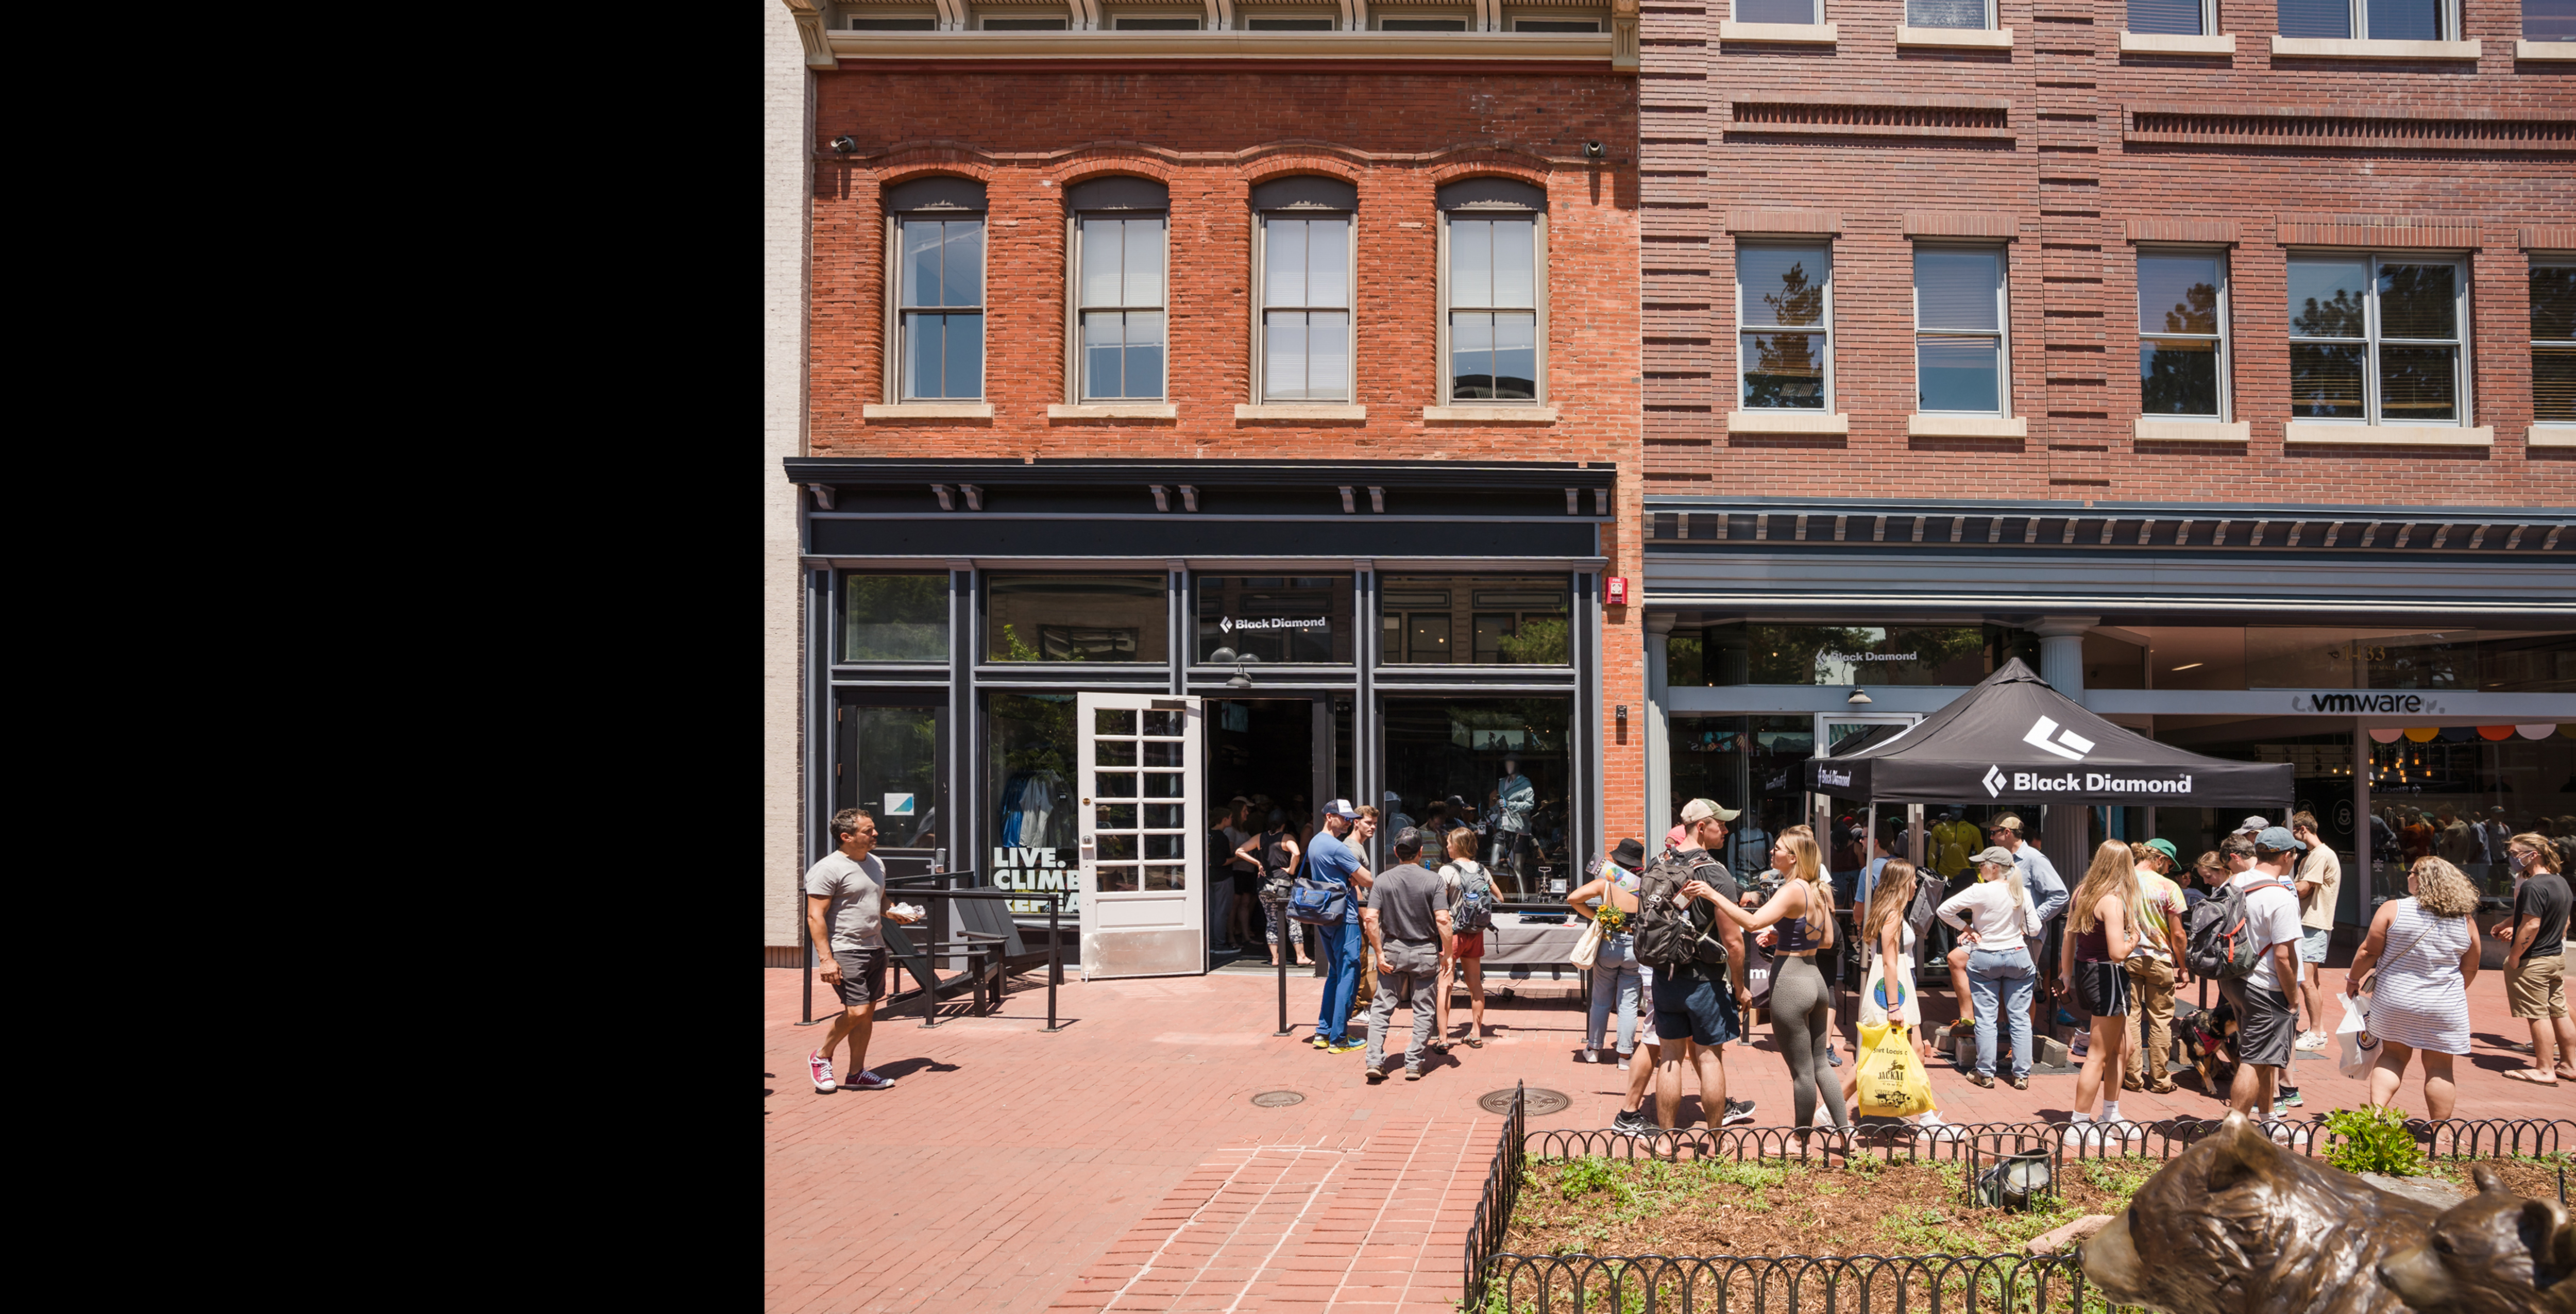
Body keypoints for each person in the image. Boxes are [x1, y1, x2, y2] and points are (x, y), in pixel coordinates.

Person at [1706, 832, 1851, 1134]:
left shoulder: (1792, 889)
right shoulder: (1819, 890)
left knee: (1802, 1073)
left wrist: (1713, 895)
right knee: (1821, 1064)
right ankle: (1845, 1131)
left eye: (1779, 849)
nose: (1772, 851)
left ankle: (1801, 1141)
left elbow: (1752, 922)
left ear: (1794, 858)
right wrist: (1783, 935)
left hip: (1790, 981)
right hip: (1815, 978)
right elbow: (1826, 941)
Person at [1637, 799, 1758, 1132]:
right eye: (1721, 824)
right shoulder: (1714, 872)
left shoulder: (1656, 863)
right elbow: (1734, 942)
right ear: (1702, 827)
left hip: (1664, 974)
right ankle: (1716, 1139)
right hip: (1704, 979)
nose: (1727, 830)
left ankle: (1664, 1138)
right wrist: (1739, 986)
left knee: (1671, 1057)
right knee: (1709, 1058)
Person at [2346, 856, 2482, 1119]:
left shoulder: (2393, 909)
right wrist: (2450, 991)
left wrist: (2353, 980)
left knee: (2393, 1056)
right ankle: (2440, 1129)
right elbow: (2471, 966)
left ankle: (2375, 1117)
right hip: (2445, 1004)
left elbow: (2368, 951)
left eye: (2412, 872)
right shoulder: (2465, 920)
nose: (2408, 876)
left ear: (2422, 879)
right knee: (2441, 1068)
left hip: (2395, 997)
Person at [804, 808, 926, 1094]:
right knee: (857, 1011)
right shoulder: (827, 869)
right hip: (845, 949)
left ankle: (856, 1073)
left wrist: (895, 913)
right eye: (868, 831)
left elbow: (880, 900)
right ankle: (821, 1056)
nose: (875, 834)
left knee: (868, 1013)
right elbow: (815, 917)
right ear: (846, 837)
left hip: (875, 947)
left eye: (873, 829)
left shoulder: (876, 863)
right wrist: (826, 960)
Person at [1945, 814, 2067, 1050]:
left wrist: (2031, 921)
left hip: (2025, 937)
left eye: (1993, 833)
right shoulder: (2002, 859)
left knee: (2021, 989)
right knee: (1957, 959)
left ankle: (2019, 1047)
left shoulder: (2034, 859)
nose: (1990, 837)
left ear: (2007, 833)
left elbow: (2060, 894)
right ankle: (1972, 1021)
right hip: (1994, 936)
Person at [1841, 857, 1946, 1130]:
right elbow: (1889, 961)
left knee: (1917, 1052)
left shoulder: (1892, 910)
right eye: (1913, 880)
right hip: (1894, 991)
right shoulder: (1892, 914)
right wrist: (1893, 1005)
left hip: (1899, 988)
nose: (1915, 885)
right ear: (1902, 883)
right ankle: (1832, 1110)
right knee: (1873, 1056)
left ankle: (1926, 1118)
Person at [1939, 845, 2043, 1089]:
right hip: (2018, 957)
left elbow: (1944, 910)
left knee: (1986, 1017)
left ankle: (1985, 1072)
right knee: (2020, 1018)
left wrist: (1968, 929)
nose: (1979, 867)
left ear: (1994, 868)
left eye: (1982, 864)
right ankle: (2022, 1074)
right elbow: (2035, 929)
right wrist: (2017, 928)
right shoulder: (2020, 892)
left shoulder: (1980, 891)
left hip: (1985, 957)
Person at [2224, 827, 2308, 1122]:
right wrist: (2294, 998)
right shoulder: (2282, 897)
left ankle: (2268, 1117)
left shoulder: (2233, 883)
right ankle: (2236, 1130)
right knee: (2254, 1059)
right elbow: (2285, 958)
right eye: (2294, 853)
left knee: (2261, 1053)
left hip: (2233, 978)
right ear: (2287, 856)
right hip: (2264, 985)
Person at [2060, 840, 2142, 1141]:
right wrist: (2135, 937)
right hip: (2108, 975)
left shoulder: (2082, 892)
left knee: (2124, 1048)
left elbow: (2069, 937)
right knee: (2098, 1054)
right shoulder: (2112, 901)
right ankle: (2079, 1123)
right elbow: (2118, 952)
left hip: (2089, 972)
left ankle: (2110, 1114)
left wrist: (2066, 973)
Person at [1361, 828, 1453, 1083]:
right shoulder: (1433, 880)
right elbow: (1443, 920)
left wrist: (1378, 952)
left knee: (1382, 1007)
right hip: (1424, 950)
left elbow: (1371, 918)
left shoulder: (1383, 880)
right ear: (1421, 851)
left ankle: (1374, 1061)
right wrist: (1447, 954)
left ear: (1396, 852)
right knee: (1424, 1009)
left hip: (1392, 950)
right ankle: (1413, 1062)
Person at [2495, 832, 2575, 1085]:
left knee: (2537, 1014)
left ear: (2534, 854)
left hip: (2534, 959)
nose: (2513, 858)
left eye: (2517, 853)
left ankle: (2544, 1068)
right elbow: (2566, 922)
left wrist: (2515, 955)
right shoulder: (2560, 882)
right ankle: (2570, 1064)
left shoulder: (2533, 885)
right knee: (2559, 1011)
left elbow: (2531, 926)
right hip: (2553, 956)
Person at [1303, 800, 1374, 1055]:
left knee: (1335, 974)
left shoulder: (1314, 843)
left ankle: (1324, 1032)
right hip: (1345, 916)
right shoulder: (1337, 848)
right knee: (1349, 974)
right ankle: (1340, 1038)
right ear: (1329, 816)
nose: (1348, 822)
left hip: (1325, 915)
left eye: (1350, 818)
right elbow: (1367, 879)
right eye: (1344, 818)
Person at [2121, 839, 2191, 1096]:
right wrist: (2182, 967)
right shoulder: (2168, 887)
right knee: (2161, 1021)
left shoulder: (2123, 881)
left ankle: (2132, 1076)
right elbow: (2179, 934)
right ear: (2160, 859)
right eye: (2169, 864)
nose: (2169, 869)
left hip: (2128, 956)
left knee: (2131, 1018)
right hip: (2159, 959)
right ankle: (2160, 1079)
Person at [1568, 839, 1645, 1068]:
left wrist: (1597, 917)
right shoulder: (1645, 884)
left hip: (1609, 943)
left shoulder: (1608, 883)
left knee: (1600, 1000)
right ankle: (1625, 1056)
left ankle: (1593, 1049)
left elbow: (1573, 898)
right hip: (1635, 946)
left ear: (1618, 861)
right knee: (1629, 1003)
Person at [2288, 811, 2342, 1052]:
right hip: (2309, 922)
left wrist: (2280, 885)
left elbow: (2304, 889)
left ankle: (2317, 1032)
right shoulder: (2312, 856)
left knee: (2306, 982)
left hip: (2314, 923)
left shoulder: (2321, 855)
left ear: (2302, 830)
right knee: (2312, 982)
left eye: (2293, 831)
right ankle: (2315, 1029)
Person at [1434, 827, 1492, 1049]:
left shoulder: (1447, 871)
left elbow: (1439, 904)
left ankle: (1443, 1038)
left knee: (1445, 985)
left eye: (1449, 842)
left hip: (1453, 934)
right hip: (1475, 932)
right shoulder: (1482, 870)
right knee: (1475, 984)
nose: (1446, 846)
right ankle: (1476, 1033)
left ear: (1457, 845)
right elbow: (1497, 895)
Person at [1249, 807, 1312, 969]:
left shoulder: (1260, 837)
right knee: (1293, 920)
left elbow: (1239, 851)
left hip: (1265, 885)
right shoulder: (1287, 838)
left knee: (1271, 921)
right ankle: (1301, 956)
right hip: (1284, 885)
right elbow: (1297, 853)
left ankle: (1275, 958)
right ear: (1284, 824)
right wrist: (1291, 870)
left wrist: (1258, 863)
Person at [1215, 797, 1259, 953]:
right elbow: (1231, 852)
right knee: (1234, 905)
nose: (1247, 813)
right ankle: (1231, 938)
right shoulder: (1230, 831)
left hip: (1247, 871)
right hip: (1237, 871)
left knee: (1245, 904)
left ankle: (1246, 936)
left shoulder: (1243, 830)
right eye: (1244, 811)